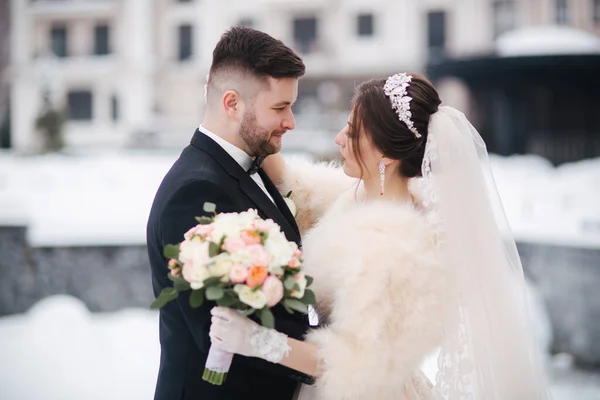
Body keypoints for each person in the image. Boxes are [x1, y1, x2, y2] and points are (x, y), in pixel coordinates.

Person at [208, 73, 551, 399]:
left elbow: (355, 367)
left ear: (386, 153)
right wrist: (245, 114)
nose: (339, 138)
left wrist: (256, 340)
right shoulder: (369, 196)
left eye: (353, 132)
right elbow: (299, 190)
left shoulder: (396, 249)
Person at [146, 26, 314, 400]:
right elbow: (218, 333)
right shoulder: (195, 192)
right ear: (232, 103)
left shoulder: (250, 167)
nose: (291, 122)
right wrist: (326, 355)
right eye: (280, 108)